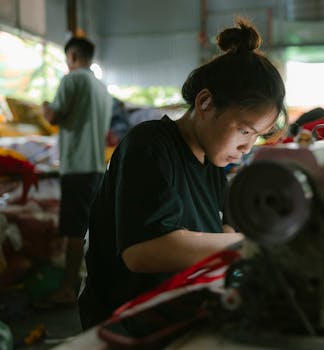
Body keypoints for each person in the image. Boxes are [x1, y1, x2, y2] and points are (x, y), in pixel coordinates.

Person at [78, 18, 287, 329]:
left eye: (257, 136)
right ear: (204, 102)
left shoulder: (212, 163)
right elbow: (143, 251)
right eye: (245, 129)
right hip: (127, 325)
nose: (247, 146)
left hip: (177, 312)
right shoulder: (149, 146)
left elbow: (228, 228)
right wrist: (247, 242)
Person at [40, 37, 113, 308]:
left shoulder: (72, 81)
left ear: (71, 56)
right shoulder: (101, 88)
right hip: (95, 167)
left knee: (73, 229)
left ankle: (67, 289)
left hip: (77, 168)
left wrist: (46, 107)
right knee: (88, 228)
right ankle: (89, 284)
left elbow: (54, 117)